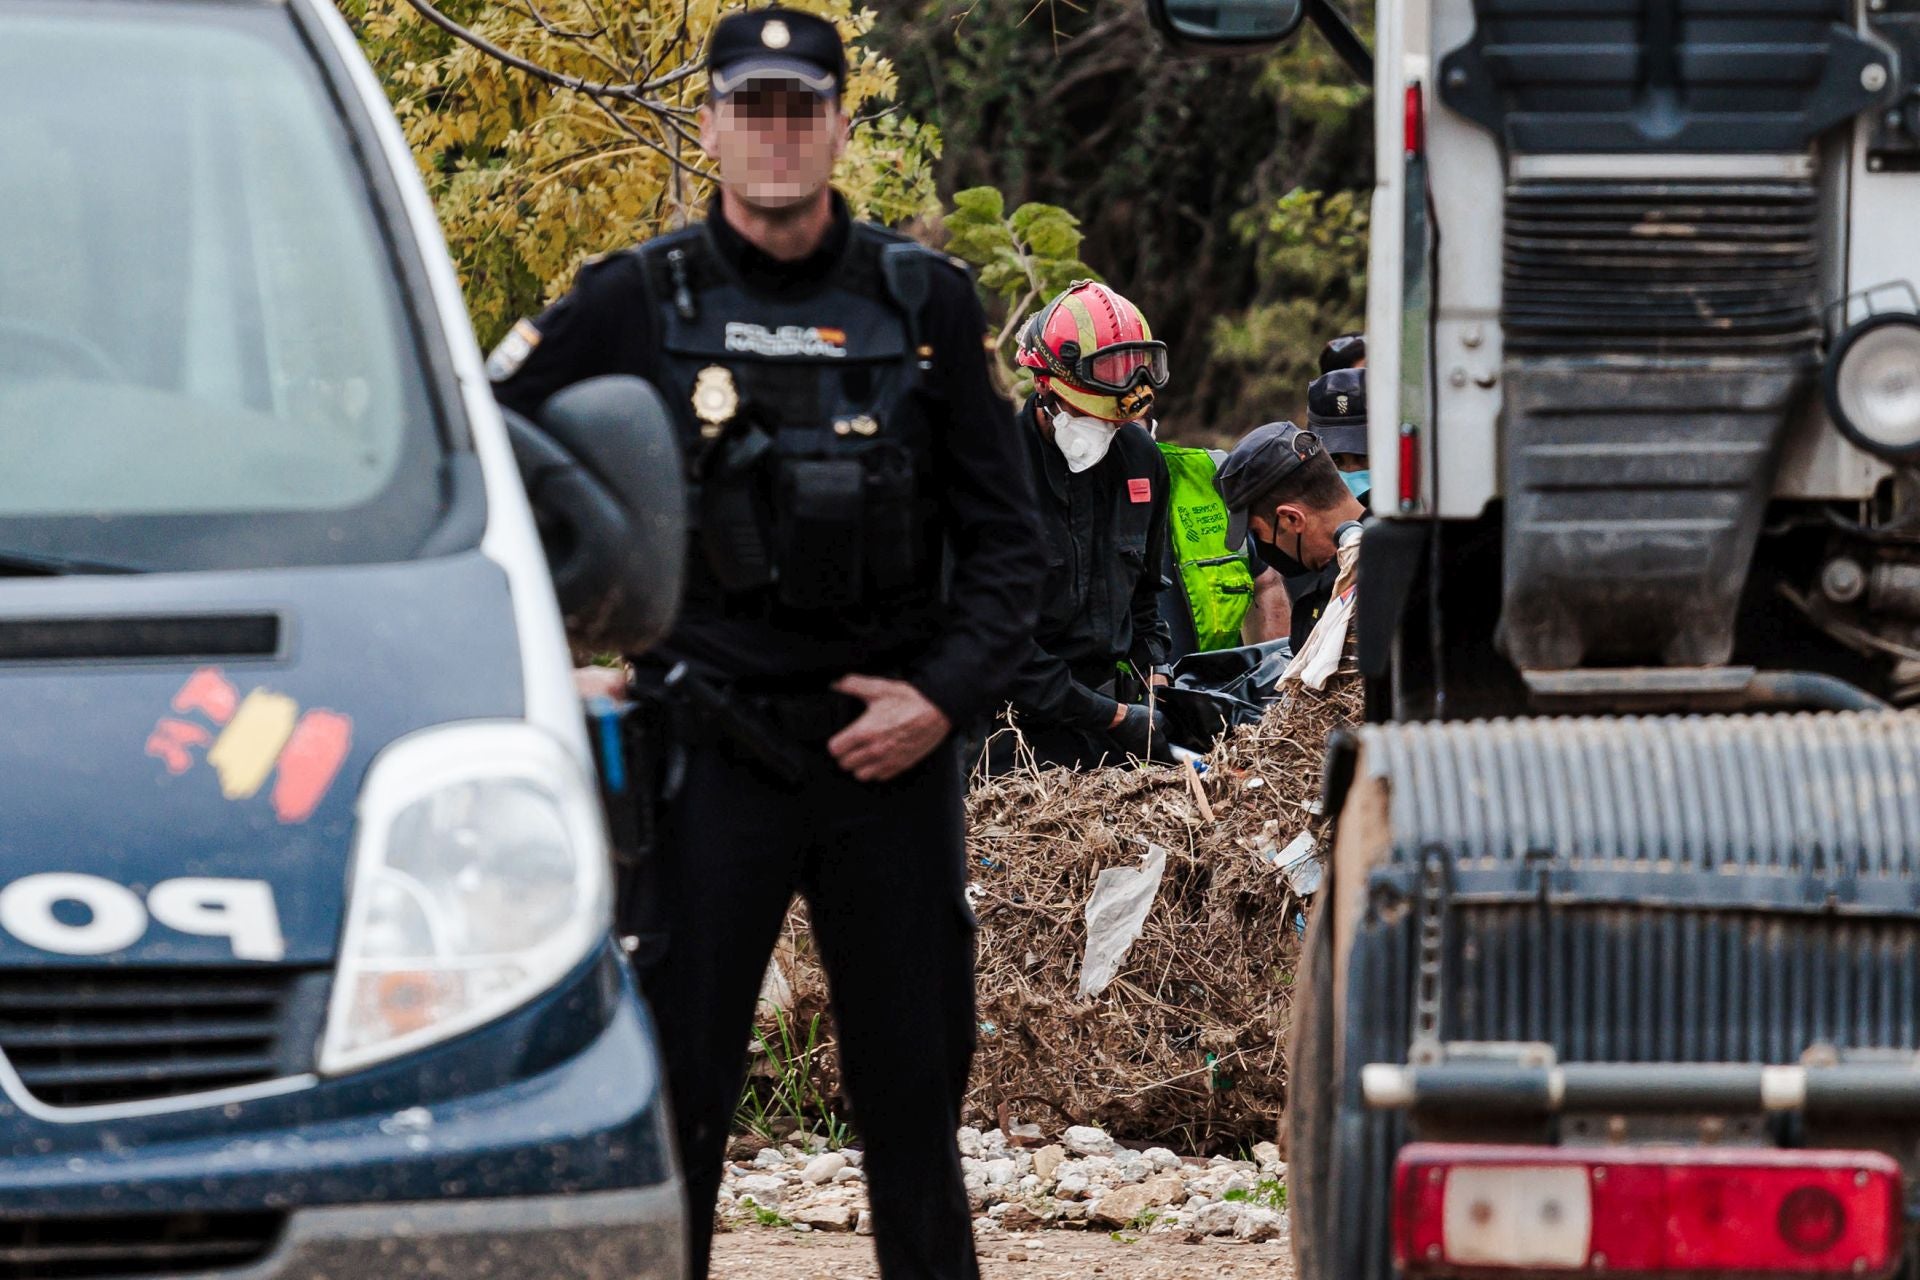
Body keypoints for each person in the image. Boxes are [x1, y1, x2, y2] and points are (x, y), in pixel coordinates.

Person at [489, 11, 1045, 1278]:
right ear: (712, 125)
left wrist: (941, 699)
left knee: (914, 1120)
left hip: (888, 765)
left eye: (803, 108)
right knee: (675, 1112)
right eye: (753, 108)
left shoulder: (924, 306)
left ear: (842, 126)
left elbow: (1013, 549)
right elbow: (486, 453)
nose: (778, 134)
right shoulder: (639, 298)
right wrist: (567, 644)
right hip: (706, 757)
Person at [982, 281, 1177, 772]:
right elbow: (993, 641)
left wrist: (1155, 680)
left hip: (1107, 724)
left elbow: (1146, 597)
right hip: (1004, 734)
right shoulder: (993, 473)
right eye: (1092, 416)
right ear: (1045, 386)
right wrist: (1111, 716)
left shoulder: (1140, 460)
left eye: (1116, 422)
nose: (1108, 431)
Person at [1216, 420, 1367, 654]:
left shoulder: (1361, 589)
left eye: (1257, 533)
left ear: (1291, 519)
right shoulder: (1402, 547)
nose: (1263, 546)